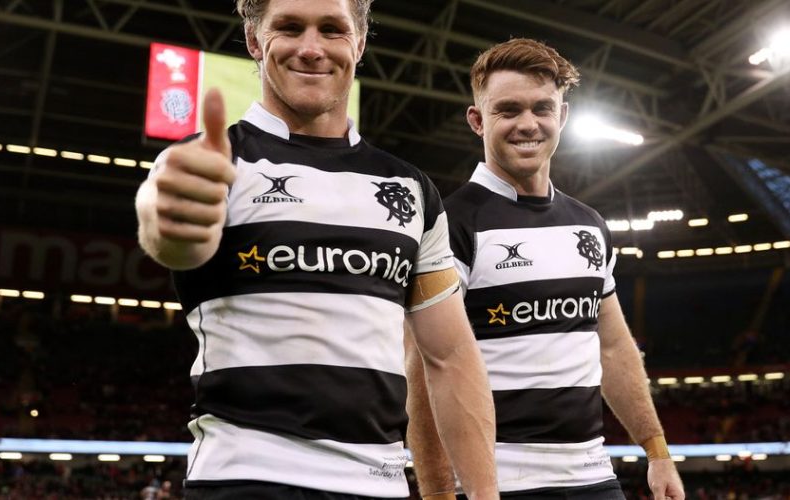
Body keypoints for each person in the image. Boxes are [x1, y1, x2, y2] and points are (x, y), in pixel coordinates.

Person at [133, 0, 498, 498]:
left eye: (332, 29)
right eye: (289, 27)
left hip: (381, 485)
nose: (310, 48)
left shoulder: (410, 189)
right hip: (246, 481)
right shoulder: (207, 161)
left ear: (360, 43)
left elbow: (451, 356)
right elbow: (170, 234)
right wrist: (171, 220)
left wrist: (482, 494)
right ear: (254, 40)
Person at [405, 39, 686, 499]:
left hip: (594, 478)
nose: (528, 124)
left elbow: (614, 348)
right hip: (498, 484)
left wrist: (657, 452)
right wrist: (440, 495)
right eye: (508, 110)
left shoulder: (590, 225)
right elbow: (423, 372)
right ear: (477, 120)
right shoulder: (450, 225)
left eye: (542, 108)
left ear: (563, 117)